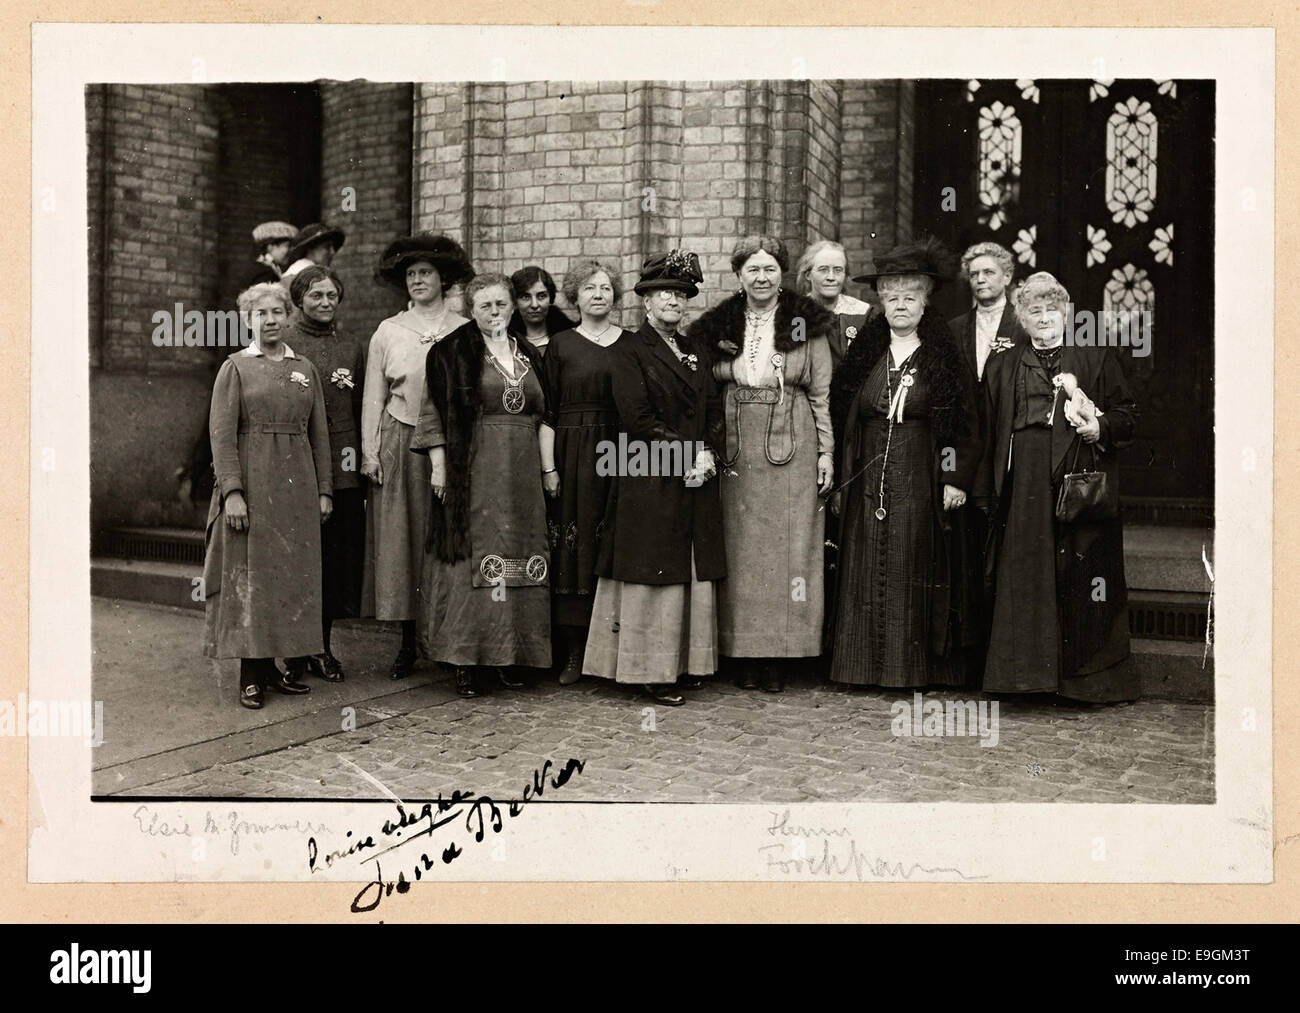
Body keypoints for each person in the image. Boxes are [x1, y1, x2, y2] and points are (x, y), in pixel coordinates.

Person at [978, 271, 1140, 702]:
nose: (1045, 318)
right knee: (1027, 576)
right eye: (1035, 311)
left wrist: (1098, 427)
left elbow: (1128, 416)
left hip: (1079, 477)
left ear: (1066, 314)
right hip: (1025, 482)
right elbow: (985, 430)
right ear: (1022, 319)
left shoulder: (1096, 358)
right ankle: (1027, 680)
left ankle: (1082, 685)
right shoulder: (1004, 364)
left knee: (1081, 574)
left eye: (1053, 310)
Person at [829, 238, 981, 689]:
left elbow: (963, 421)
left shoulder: (942, 352)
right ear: (881, 300)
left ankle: (906, 671)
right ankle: (859, 667)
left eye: (910, 297)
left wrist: (954, 478)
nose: (900, 305)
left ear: (924, 300)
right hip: (867, 472)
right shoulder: (866, 352)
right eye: (892, 296)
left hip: (920, 472)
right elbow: (842, 414)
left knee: (911, 562)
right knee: (861, 563)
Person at [691, 236, 835, 693]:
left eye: (769, 268)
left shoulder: (803, 324)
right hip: (735, 445)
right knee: (740, 549)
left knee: (788, 549)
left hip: (793, 443)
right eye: (752, 269)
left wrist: (827, 453)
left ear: (783, 275)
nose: (761, 277)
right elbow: (702, 384)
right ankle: (740, 653)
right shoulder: (719, 325)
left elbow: (821, 395)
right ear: (738, 276)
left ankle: (779, 654)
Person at [583, 251, 725, 706]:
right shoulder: (628, 351)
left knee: (688, 566)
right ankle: (649, 670)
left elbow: (714, 412)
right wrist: (687, 453)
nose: (674, 301)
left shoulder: (697, 352)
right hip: (648, 473)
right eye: (664, 293)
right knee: (653, 571)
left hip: (694, 473)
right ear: (645, 302)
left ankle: (682, 663)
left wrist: (708, 453)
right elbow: (636, 418)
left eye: (682, 294)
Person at [413, 274, 552, 697]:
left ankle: (511, 656)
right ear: (471, 311)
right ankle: (465, 659)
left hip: (522, 471)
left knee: (520, 551)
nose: (495, 312)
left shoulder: (529, 354)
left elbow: (547, 413)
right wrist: (439, 468)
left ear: (513, 307)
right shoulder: (451, 352)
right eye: (486, 305)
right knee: (472, 553)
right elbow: (433, 412)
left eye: (502, 304)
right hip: (471, 469)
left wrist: (548, 470)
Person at [201, 282, 333, 708]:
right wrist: (233, 493)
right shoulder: (236, 367)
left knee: (289, 576)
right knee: (251, 576)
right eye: (261, 314)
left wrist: (325, 491)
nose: (271, 320)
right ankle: (250, 675)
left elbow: (321, 436)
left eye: (278, 312)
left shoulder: (305, 368)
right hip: (253, 483)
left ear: (288, 316)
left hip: (296, 487)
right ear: (248, 320)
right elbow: (221, 436)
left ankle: (276, 669)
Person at [362, 234, 472, 678]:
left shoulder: (465, 328)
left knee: (446, 538)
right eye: (410, 275)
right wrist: (370, 452)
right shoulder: (388, 331)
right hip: (401, 440)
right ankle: (407, 643)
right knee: (402, 541)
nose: (418, 281)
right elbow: (373, 395)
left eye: (425, 273)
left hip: (454, 443)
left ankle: (448, 640)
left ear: (443, 278)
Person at [539, 260, 630, 684]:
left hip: (617, 451)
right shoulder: (560, 344)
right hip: (571, 453)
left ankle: (611, 654)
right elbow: (548, 412)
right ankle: (573, 653)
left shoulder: (631, 345)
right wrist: (549, 467)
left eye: (607, 287)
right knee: (571, 550)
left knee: (611, 542)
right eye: (590, 288)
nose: (599, 294)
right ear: (574, 296)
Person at [279, 265, 365, 683]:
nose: (326, 303)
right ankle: (293, 649)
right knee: (297, 560)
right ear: (298, 300)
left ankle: (321, 646)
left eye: (332, 296)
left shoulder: (351, 346)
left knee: (332, 561)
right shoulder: (286, 342)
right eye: (316, 296)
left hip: (344, 467)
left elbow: (363, 405)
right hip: (298, 464)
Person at [948, 241, 1028, 684]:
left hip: (1009, 450)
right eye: (974, 274)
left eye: (989, 273)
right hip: (968, 452)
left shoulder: (1022, 325)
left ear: (1006, 277)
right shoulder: (957, 327)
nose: (981, 280)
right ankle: (971, 661)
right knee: (970, 553)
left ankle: (1006, 659)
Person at [795, 239, 872, 367]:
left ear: (845, 275)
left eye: (837, 270)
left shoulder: (863, 313)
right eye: (823, 270)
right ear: (808, 275)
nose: (831, 277)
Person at [508, 265, 575, 356]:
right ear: (515, 300)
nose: (534, 305)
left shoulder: (569, 338)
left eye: (541, 296)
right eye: (525, 297)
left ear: (550, 297)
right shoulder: (505, 340)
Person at [237, 220, 296, 291]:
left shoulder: (263, 267)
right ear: (270, 246)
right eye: (288, 246)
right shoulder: (265, 273)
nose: (291, 250)